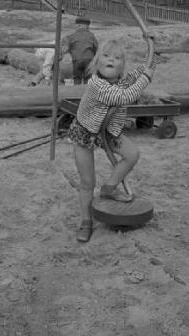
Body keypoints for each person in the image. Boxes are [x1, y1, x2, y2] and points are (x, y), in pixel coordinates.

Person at [68, 36, 156, 243]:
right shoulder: (97, 85)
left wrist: (150, 59)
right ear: (97, 61)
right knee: (87, 181)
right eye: (106, 56)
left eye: (117, 58)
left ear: (121, 66)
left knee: (132, 154)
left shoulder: (119, 81)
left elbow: (138, 73)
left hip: (106, 131)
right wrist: (147, 78)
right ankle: (86, 221)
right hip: (84, 133)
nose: (111, 60)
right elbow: (124, 97)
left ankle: (109, 188)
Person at [61, 17, 98, 85]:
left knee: (77, 78)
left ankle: (76, 92)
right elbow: (96, 47)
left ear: (78, 26)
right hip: (88, 59)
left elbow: (67, 48)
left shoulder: (72, 36)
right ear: (85, 26)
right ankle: (87, 93)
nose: (88, 28)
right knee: (88, 78)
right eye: (88, 26)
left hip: (76, 60)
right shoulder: (91, 35)